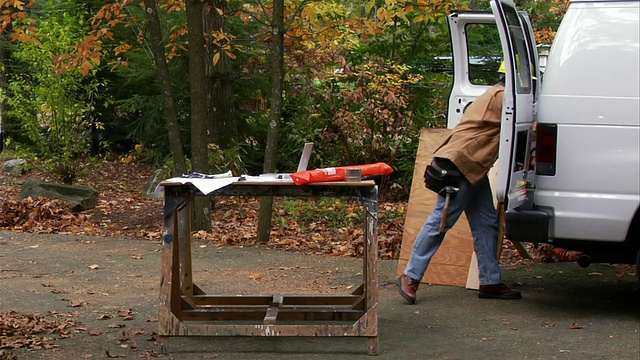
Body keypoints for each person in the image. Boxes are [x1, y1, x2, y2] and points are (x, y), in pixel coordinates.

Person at [397, 62, 522, 304]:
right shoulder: (502, 97)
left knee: (486, 222)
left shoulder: (494, 94)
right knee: (441, 221)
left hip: (473, 167)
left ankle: (490, 281)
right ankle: (410, 276)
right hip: (460, 164)